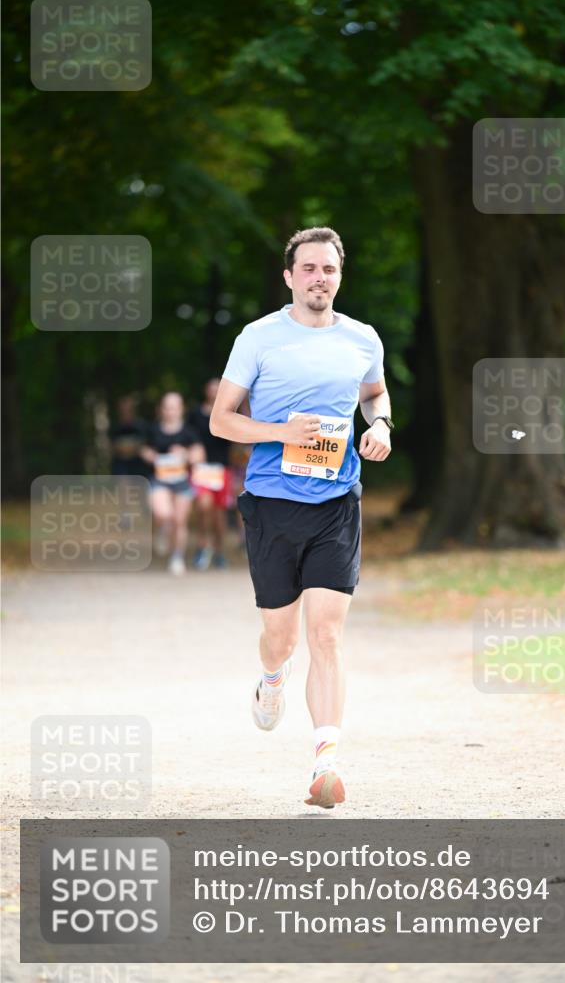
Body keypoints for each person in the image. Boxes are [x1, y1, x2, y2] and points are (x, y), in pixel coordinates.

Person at [210, 227, 392, 808]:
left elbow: (375, 395)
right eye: (308, 268)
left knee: (327, 634)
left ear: (340, 277)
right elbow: (221, 420)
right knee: (280, 638)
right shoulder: (259, 338)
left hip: (337, 503)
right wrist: (279, 432)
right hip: (271, 503)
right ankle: (270, 679)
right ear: (289, 277)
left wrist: (381, 425)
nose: (320, 278)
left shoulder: (362, 339)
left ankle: (326, 761)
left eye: (329, 270)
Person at [141, 391, 205, 576]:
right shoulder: (153, 430)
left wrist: (184, 454)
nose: (171, 411)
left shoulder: (189, 432)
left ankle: (177, 557)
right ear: (162, 410)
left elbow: (199, 455)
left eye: (174, 407)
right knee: (163, 513)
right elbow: (144, 451)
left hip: (182, 482)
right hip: (160, 480)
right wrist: (155, 457)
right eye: (167, 407)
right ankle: (162, 528)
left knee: (180, 521)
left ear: (181, 409)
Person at [188, 378, 233, 570]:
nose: (214, 392)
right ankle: (202, 545)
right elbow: (188, 438)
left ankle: (220, 551)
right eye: (211, 389)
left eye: (218, 389)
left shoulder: (229, 414)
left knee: (219, 515)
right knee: (203, 505)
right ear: (206, 391)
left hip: (222, 469)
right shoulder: (195, 414)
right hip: (202, 469)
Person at [109, 395, 150, 479]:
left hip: (139, 467)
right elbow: (112, 448)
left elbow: (144, 447)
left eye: (128, 410)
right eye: (123, 410)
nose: (125, 412)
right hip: (120, 467)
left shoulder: (142, 426)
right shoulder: (115, 428)